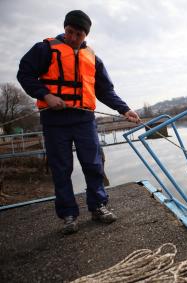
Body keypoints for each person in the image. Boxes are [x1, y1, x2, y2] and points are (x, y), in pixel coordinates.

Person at [17, 10, 141, 235]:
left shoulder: (93, 59)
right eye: (69, 32)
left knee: (93, 165)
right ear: (65, 29)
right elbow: (24, 74)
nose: (73, 37)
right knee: (61, 169)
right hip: (54, 121)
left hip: (84, 120)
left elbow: (105, 90)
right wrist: (46, 95)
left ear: (86, 35)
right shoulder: (44, 49)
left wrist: (125, 109)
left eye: (78, 34)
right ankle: (68, 215)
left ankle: (98, 206)